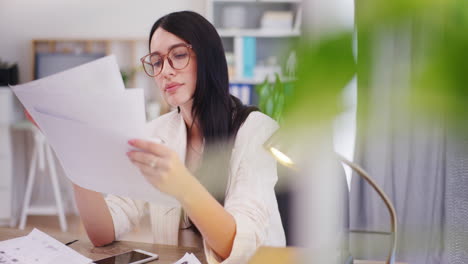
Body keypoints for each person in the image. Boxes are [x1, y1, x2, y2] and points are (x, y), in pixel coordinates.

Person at [36, 11, 285, 264]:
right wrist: (73, 155)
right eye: (156, 62)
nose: (165, 71)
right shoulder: (154, 132)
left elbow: (238, 247)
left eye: (178, 56)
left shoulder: (257, 131)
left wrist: (182, 184)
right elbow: (103, 233)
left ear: (209, 58)